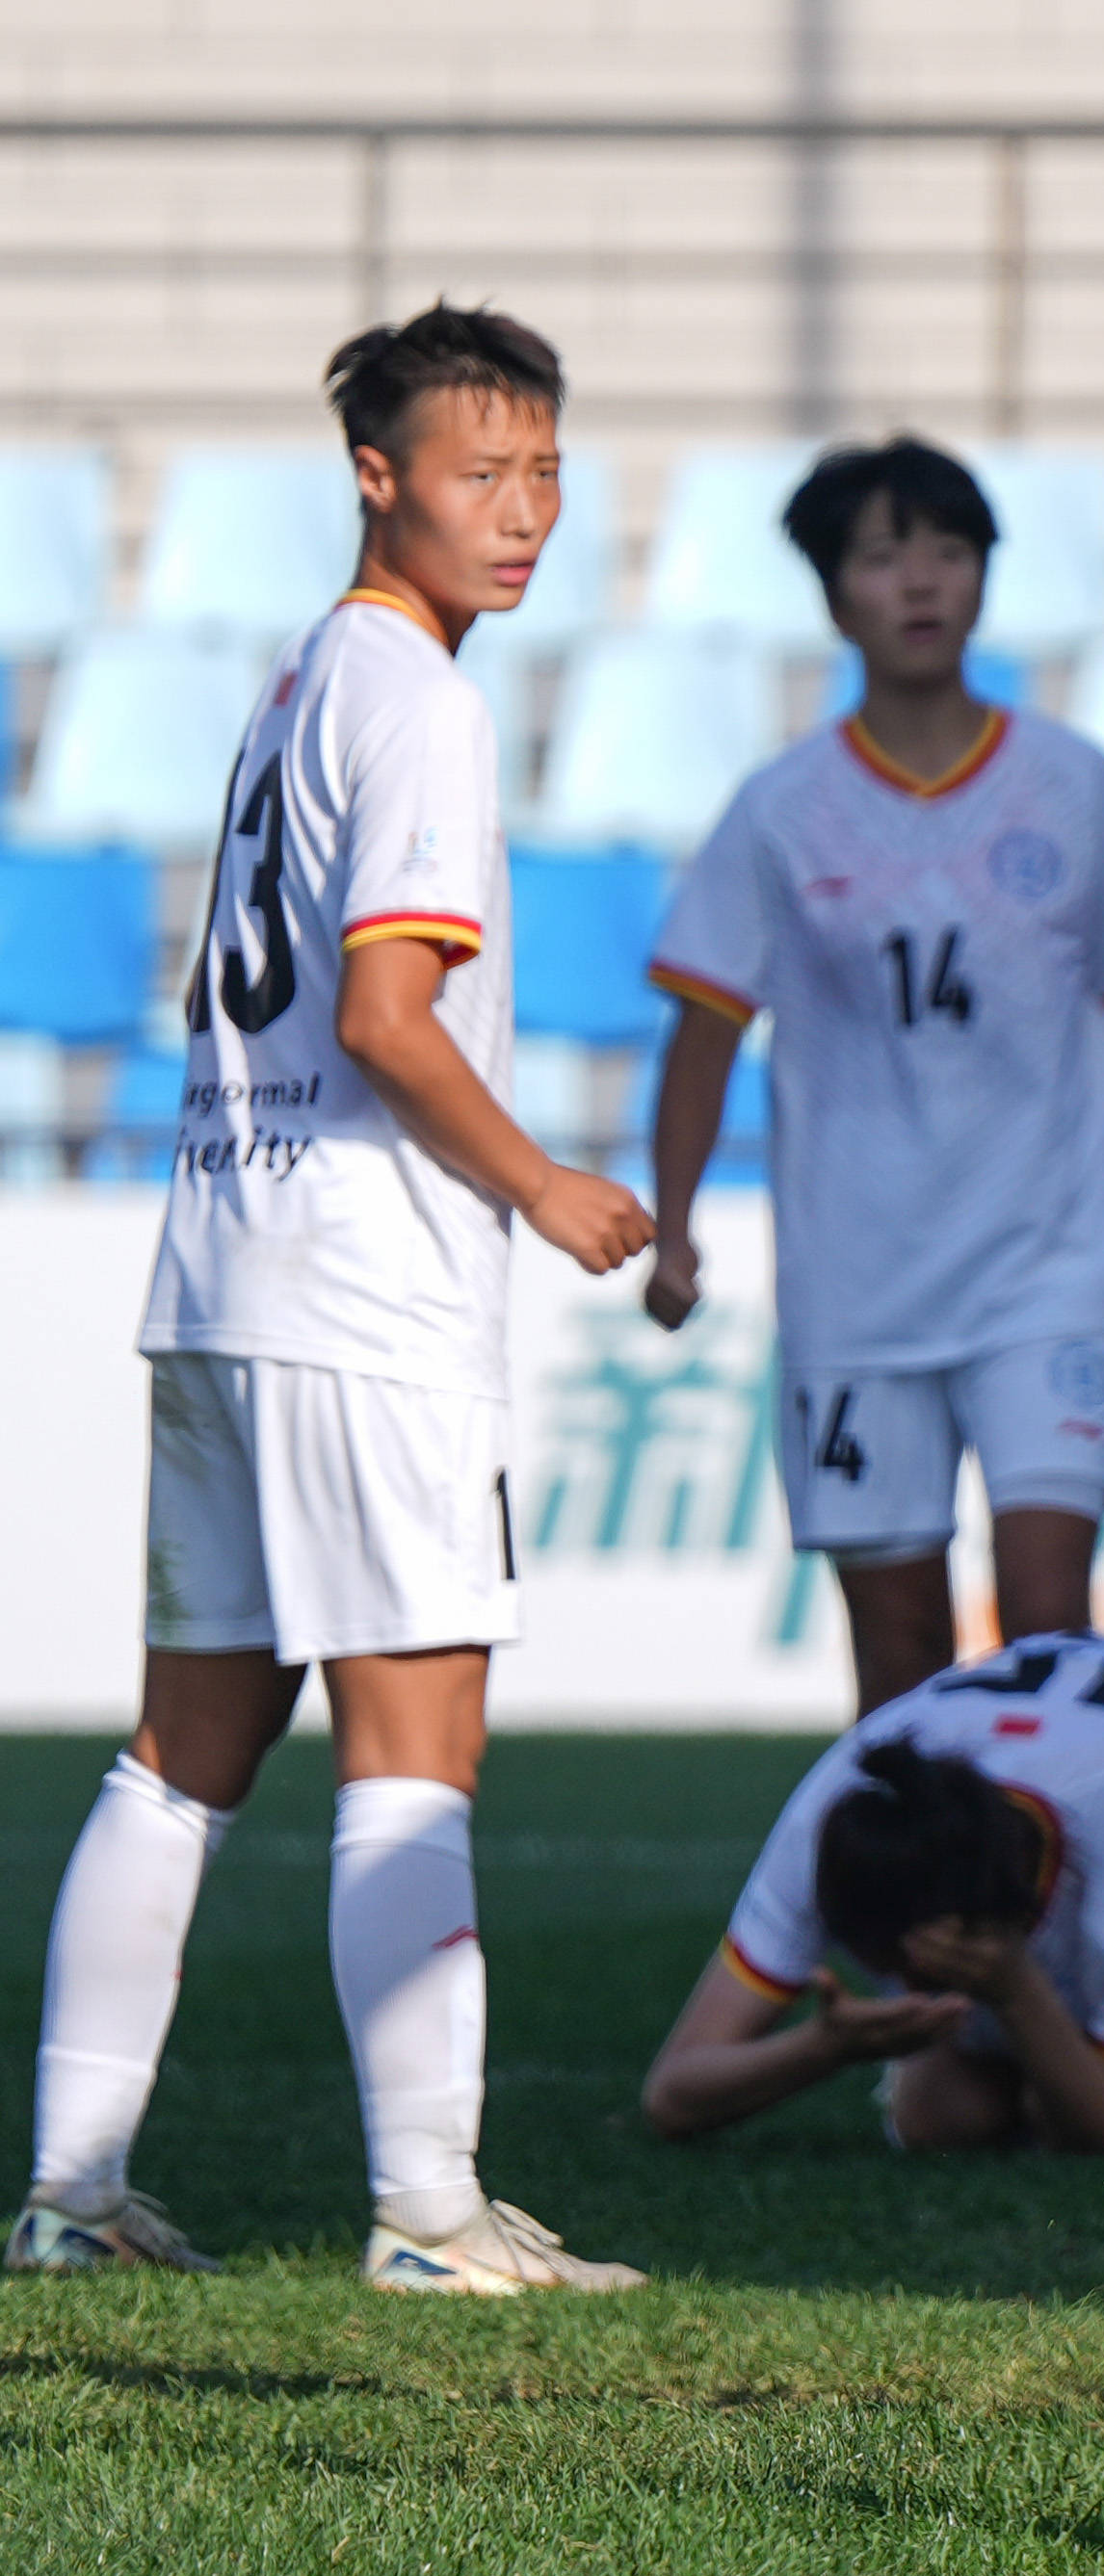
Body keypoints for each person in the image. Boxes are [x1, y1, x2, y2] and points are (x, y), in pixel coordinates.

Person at [13, 305, 657, 2294]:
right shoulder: (418, 698)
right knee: (414, 1743)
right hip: (366, 1295)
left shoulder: (304, 673)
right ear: (377, 476)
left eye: (545, 471)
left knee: (180, 1754)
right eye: (482, 473)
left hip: (220, 1264)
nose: (522, 512)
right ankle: (431, 2211)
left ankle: (69, 2189)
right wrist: (542, 1181)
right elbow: (387, 1010)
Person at [644, 437, 1104, 1719]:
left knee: (1045, 1615)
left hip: (1046, 1267)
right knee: (898, 1658)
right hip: (855, 1281)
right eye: (883, 557)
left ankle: (1050, 1851)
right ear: (834, 596)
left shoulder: (1071, 784)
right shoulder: (779, 808)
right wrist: (674, 1226)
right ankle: (922, 1862)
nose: (920, 581)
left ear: (984, 575)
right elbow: (701, 1031)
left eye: (947, 550)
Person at [640, 1633, 1104, 2153]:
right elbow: (672, 2094)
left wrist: (1018, 1990)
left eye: (930, 1965)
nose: (908, 1983)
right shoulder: (827, 1824)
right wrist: (823, 2046)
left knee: (1084, 2122)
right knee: (942, 2122)